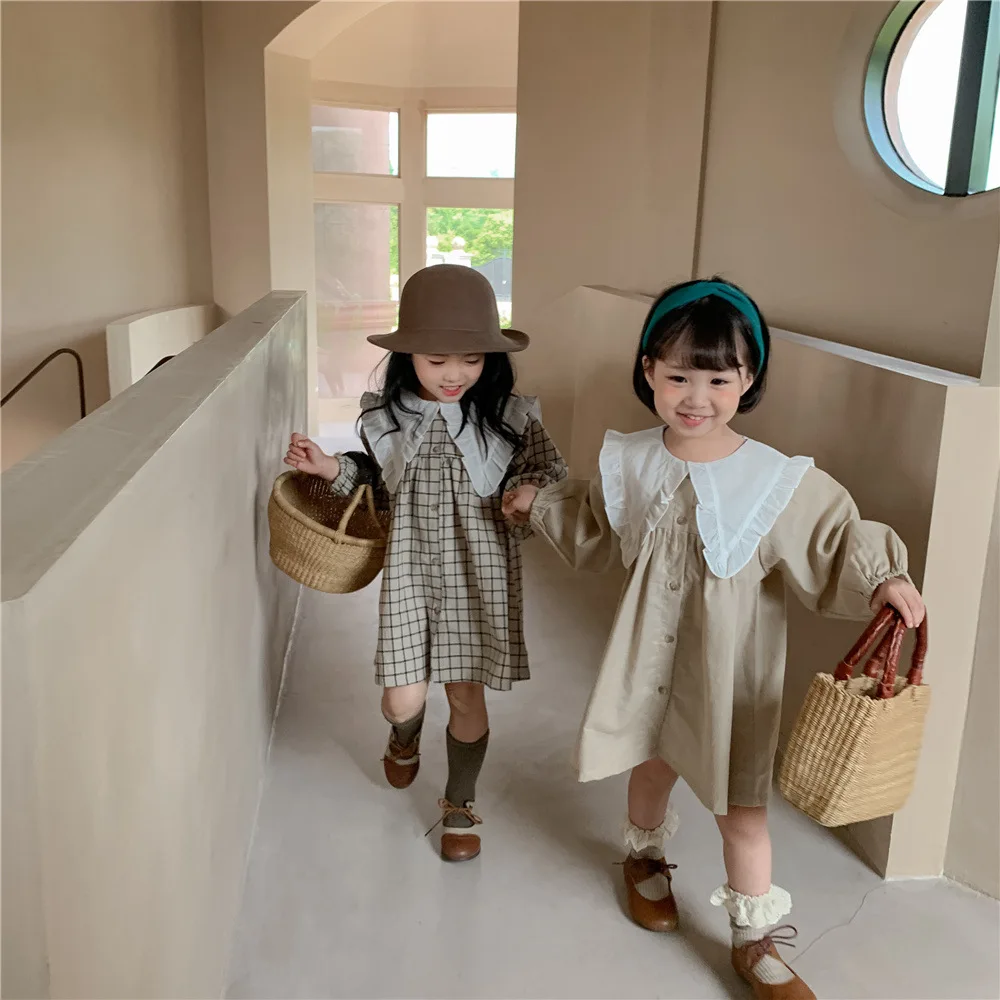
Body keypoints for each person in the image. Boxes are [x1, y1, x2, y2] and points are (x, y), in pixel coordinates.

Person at [502, 277, 924, 999]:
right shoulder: (633, 460)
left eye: (718, 379)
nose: (696, 397)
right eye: (678, 377)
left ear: (748, 380)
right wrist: (540, 503)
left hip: (730, 676)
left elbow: (833, 538)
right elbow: (595, 521)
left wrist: (882, 575)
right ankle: (643, 857)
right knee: (651, 760)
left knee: (742, 811)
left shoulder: (773, 481)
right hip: (650, 659)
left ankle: (753, 941)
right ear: (648, 372)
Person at [285, 264, 566, 863]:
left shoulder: (513, 418)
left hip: (479, 577)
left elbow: (550, 475)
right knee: (401, 699)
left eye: (472, 359)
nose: (454, 374)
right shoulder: (386, 418)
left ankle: (460, 803)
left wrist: (531, 492)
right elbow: (376, 482)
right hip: (411, 574)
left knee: (465, 696)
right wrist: (329, 468)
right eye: (437, 359)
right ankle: (404, 736)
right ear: (407, 355)